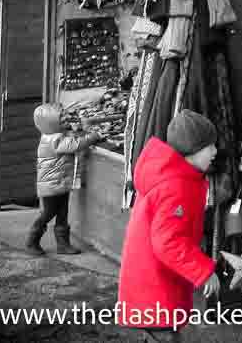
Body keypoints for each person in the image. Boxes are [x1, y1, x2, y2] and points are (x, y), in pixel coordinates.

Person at [117, 109, 221, 338]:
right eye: (209, 146)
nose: (215, 151)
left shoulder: (175, 178)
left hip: (152, 283)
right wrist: (203, 271)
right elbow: (168, 242)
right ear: (191, 150)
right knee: (164, 335)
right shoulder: (176, 186)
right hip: (156, 287)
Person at [26, 103, 103, 256]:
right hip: (51, 186)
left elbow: (70, 138)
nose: (66, 119)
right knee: (48, 213)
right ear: (50, 123)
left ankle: (63, 245)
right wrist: (93, 136)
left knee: (62, 213)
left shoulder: (56, 135)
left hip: (60, 182)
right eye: (61, 118)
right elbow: (74, 145)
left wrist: (75, 130)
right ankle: (32, 241)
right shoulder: (53, 140)